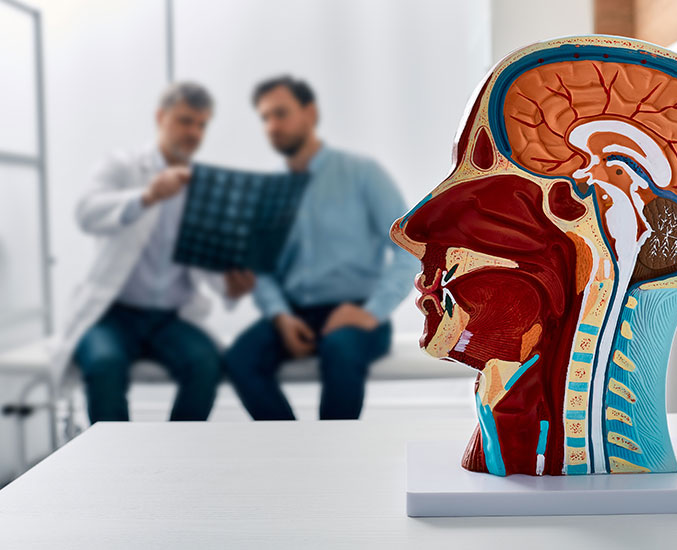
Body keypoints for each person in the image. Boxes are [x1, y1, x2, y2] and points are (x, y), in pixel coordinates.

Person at [52, 82, 255, 423]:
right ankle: (114, 469)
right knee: (104, 366)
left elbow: (208, 265)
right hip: (111, 314)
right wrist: (146, 196)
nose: (194, 132)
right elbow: (85, 213)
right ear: (161, 117)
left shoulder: (201, 188)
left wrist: (231, 289)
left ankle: (173, 460)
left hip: (170, 319)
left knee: (206, 364)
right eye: (185, 120)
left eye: (201, 125)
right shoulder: (121, 166)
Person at [225, 75, 418, 420]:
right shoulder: (270, 193)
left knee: (341, 349)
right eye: (265, 118)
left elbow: (410, 247)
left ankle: (335, 459)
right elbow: (262, 268)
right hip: (295, 312)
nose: (272, 126)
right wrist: (280, 316)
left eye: (280, 114)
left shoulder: (362, 173)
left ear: (310, 113)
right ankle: (294, 451)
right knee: (240, 359)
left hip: (357, 310)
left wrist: (371, 311)